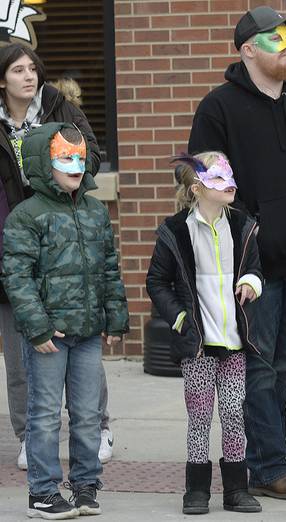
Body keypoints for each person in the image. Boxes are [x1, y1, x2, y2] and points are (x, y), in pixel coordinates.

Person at [187, 6, 286, 500]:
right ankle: (268, 466)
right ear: (248, 48)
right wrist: (249, 236)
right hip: (252, 264)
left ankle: (266, 461)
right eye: (275, 38)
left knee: (281, 362)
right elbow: (205, 181)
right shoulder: (218, 108)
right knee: (258, 364)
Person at [2, 123, 129, 519]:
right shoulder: (27, 216)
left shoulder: (94, 211)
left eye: (80, 157)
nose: (75, 165)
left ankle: (86, 485)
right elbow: (16, 276)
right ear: (43, 163)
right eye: (64, 158)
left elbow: (109, 266)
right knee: (43, 414)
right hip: (49, 337)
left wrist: (114, 316)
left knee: (88, 412)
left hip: (88, 331)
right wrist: (37, 326)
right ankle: (42, 492)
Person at [0, 44, 115, 472]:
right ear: (2, 79)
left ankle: (98, 426)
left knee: (80, 336)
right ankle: (29, 435)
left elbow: (93, 156)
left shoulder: (59, 107)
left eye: (33, 68)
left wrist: (61, 192)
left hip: (64, 236)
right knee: (19, 348)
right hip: (14, 239)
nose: (28, 77)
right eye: (17, 70)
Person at [146, 152, 263, 515]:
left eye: (230, 174)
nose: (228, 183)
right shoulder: (176, 231)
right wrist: (180, 319)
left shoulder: (243, 226)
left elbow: (257, 269)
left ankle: (236, 488)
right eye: (218, 178)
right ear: (198, 188)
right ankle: (196, 490)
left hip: (234, 343)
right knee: (199, 417)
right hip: (198, 344)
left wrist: (250, 283)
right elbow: (157, 281)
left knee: (232, 413)